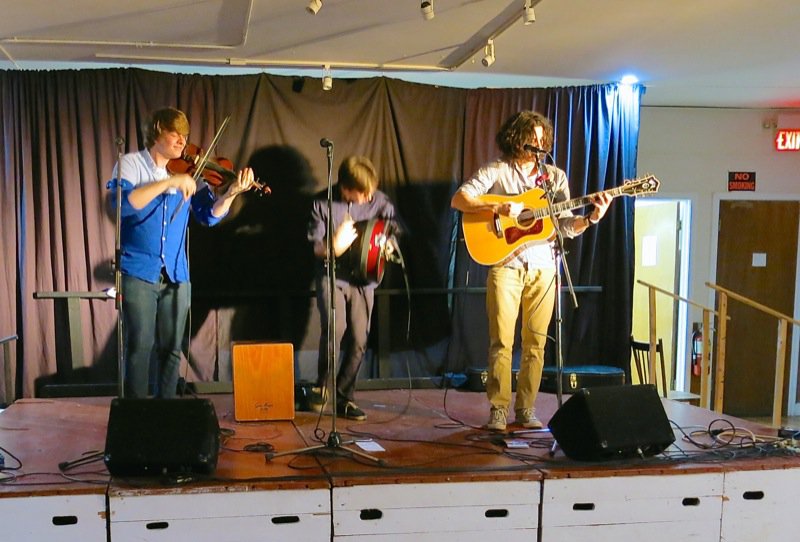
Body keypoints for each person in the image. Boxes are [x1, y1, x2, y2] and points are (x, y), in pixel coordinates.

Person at [450, 110, 612, 431]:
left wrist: (591, 217)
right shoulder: (496, 170)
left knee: (536, 342)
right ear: (516, 137)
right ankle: (498, 408)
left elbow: (564, 225)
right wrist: (496, 207)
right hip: (506, 265)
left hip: (544, 266)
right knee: (502, 342)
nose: (538, 144)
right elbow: (460, 199)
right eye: (532, 138)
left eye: (542, 139)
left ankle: (526, 409)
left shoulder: (555, 179)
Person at [107, 107, 255, 398]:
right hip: (138, 271)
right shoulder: (131, 164)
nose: (181, 142)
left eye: (185, 136)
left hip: (176, 273)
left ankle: (167, 413)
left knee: (172, 348)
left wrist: (231, 193)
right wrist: (169, 182)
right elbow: (122, 204)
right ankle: (135, 416)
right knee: (139, 346)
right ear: (158, 130)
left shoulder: (191, 173)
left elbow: (209, 216)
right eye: (175, 134)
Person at [307, 155, 396, 421]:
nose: (370, 197)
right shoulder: (321, 203)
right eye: (363, 193)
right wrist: (335, 244)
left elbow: (392, 230)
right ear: (346, 189)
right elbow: (317, 249)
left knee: (359, 338)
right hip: (333, 276)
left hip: (364, 279)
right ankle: (323, 390)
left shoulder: (379, 201)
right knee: (336, 329)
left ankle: (345, 397)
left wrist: (389, 245)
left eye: (372, 191)